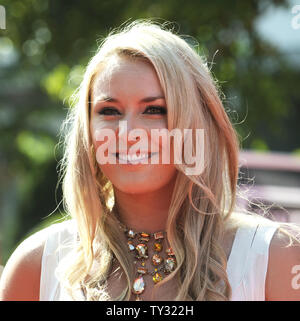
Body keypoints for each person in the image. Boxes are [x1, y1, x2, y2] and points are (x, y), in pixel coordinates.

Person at [0, 20, 299, 301]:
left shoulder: (276, 259)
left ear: (198, 123)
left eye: (154, 110)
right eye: (110, 111)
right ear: (87, 131)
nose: (128, 133)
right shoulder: (36, 267)